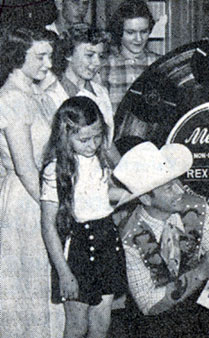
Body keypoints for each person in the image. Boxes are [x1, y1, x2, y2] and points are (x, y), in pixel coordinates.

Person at [112, 141, 209, 337]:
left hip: (199, 310)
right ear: (147, 199)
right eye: (168, 188)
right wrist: (199, 272)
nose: (180, 190)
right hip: (156, 324)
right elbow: (148, 304)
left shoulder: (197, 208)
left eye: (177, 182)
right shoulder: (128, 237)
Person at [40, 96, 128, 338]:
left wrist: (135, 192)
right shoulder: (55, 170)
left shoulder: (99, 160)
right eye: (84, 139)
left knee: (101, 323)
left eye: (97, 137)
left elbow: (101, 196)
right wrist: (63, 271)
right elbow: (48, 224)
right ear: (65, 136)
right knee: (77, 326)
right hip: (78, 246)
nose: (92, 145)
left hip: (107, 241)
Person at [0, 26, 63, 338]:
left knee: (47, 277)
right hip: (27, 201)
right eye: (41, 56)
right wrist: (51, 209)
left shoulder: (39, 95)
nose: (48, 63)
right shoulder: (11, 99)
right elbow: (25, 169)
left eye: (50, 55)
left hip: (46, 194)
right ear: (17, 56)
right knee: (30, 281)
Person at [47, 23, 121, 164]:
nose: (96, 62)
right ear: (68, 54)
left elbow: (108, 144)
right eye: (89, 55)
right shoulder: (53, 96)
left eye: (100, 56)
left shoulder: (100, 92)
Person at [101, 0, 161, 114]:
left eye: (144, 32)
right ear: (119, 31)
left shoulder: (160, 64)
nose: (139, 39)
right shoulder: (104, 66)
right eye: (131, 32)